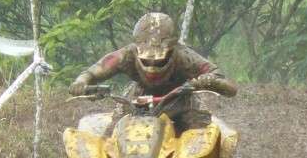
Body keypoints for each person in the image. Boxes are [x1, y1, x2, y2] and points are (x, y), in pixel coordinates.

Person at [69, 12, 237, 132]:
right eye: (146, 59)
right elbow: (95, 70)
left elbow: (229, 86)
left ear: (172, 49)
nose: (152, 65)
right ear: (137, 49)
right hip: (136, 100)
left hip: (181, 98)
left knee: (201, 136)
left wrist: (209, 80)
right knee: (112, 137)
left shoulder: (184, 57)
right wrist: (81, 82)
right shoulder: (126, 54)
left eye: (159, 60)